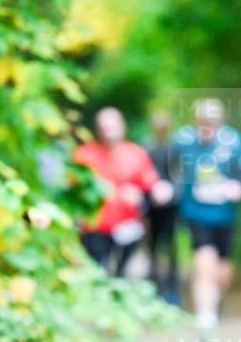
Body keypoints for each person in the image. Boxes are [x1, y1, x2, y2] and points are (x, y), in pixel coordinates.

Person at [175, 98, 241, 329]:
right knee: (203, 261)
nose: (207, 128)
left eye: (212, 123)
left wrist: (239, 187)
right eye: (202, 123)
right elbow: (164, 164)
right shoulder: (182, 141)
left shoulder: (234, 141)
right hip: (196, 212)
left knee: (222, 269)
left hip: (225, 214)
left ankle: (214, 300)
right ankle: (205, 317)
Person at [74, 107, 173, 276]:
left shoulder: (136, 153)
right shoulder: (84, 155)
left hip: (127, 224)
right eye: (105, 128)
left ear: (122, 127)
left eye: (113, 127)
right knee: (97, 268)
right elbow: (74, 188)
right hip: (95, 225)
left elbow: (150, 182)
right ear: (98, 129)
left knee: (122, 271)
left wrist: (158, 190)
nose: (109, 133)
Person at [145, 110, 181, 304]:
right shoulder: (147, 146)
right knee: (152, 247)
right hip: (152, 206)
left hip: (171, 207)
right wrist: (152, 191)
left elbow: (179, 174)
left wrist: (172, 192)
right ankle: (154, 288)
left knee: (170, 247)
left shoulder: (174, 147)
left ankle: (172, 290)